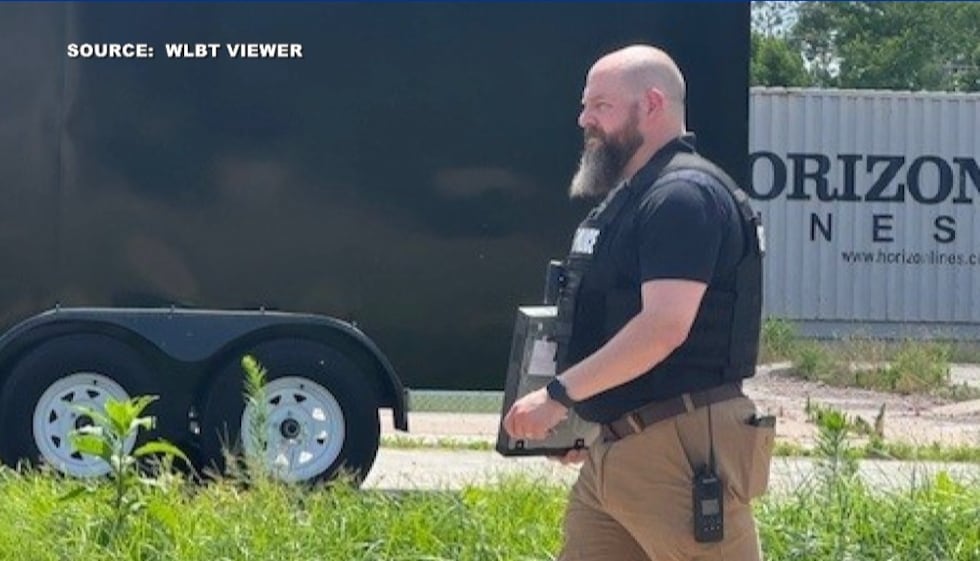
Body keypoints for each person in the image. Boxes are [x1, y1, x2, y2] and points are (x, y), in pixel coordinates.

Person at [503, 44, 772, 561]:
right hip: (618, 448)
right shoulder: (634, 198)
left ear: (651, 104)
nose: (585, 120)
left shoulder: (683, 197)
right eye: (585, 106)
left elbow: (663, 327)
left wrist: (560, 396)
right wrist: (591, 419)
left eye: (600, 105)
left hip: (679, 447)